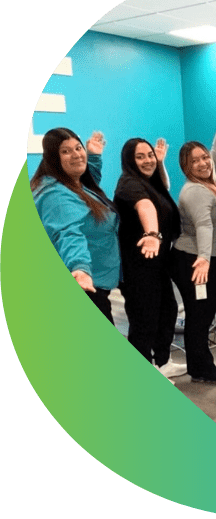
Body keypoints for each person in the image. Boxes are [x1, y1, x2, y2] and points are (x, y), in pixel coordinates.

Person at [170, 100, 216, 384]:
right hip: (197, 260)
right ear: (185, 167)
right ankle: (200, 368)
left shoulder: (214, 177)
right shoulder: (195, 191)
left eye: (203, 158)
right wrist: (204, 260)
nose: (202, 163)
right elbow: (204, 226)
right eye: (194, 161)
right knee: (201, 315)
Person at [31, 129, 120, 324]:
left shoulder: (72, 184)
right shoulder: (56, 195)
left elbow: (87, 186)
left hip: (96, 280)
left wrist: (93, 156)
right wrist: (80, 268)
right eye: (66, 151)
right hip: (84, 284)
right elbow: (67, 232)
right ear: (53, 158)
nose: (76, 154)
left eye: (78, 148)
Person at [114, 136, 182, 381]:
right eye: (140, 157)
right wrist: (152, 234)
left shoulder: (148, 182)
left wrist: (160, 163)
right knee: (144, 319)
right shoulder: (128, 184)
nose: (147, 160)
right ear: (129, 161)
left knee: (167, 311)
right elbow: (146, 207)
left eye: (149, 155)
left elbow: (164, 188)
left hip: (158, 264)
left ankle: (162, 361)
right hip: (138, 265)